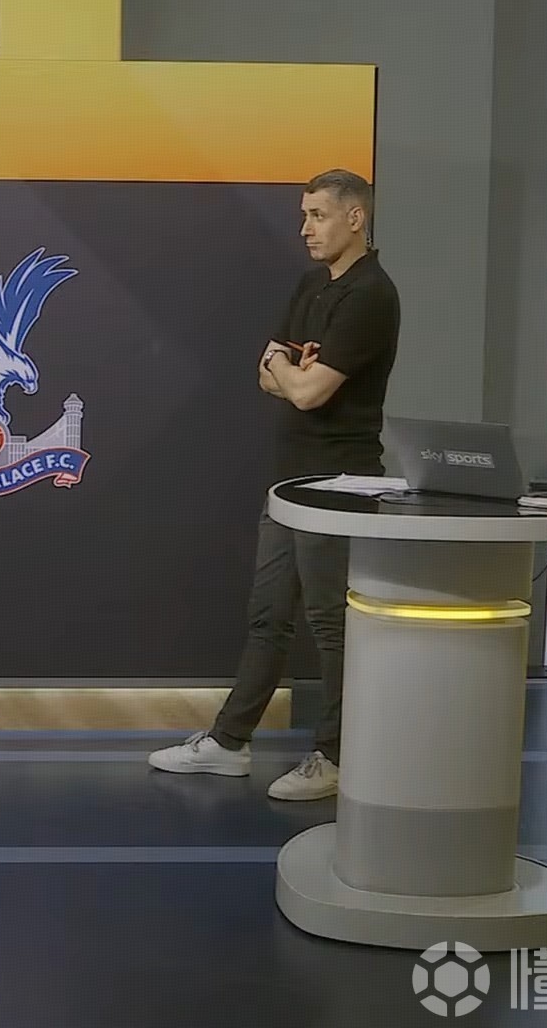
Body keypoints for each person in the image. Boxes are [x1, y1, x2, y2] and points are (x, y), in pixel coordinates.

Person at [149, 168, 400, 801]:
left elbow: (307, 391)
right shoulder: (312, 284)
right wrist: (292, 371)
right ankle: (229, 743)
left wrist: (290, 371)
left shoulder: (371, 295)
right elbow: (267, 370)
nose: (306, 228)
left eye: (318, 215)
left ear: (355, 218)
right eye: (304, 216)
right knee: (268, 617)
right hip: (289, 481)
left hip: (339, 483)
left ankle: (336, 756)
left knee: (330, 624)